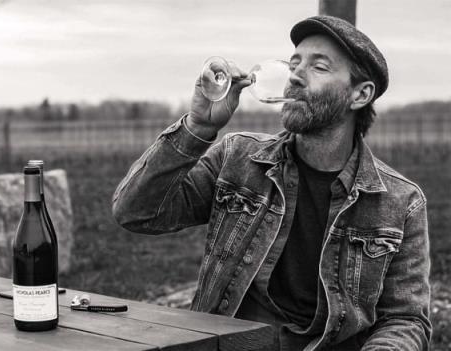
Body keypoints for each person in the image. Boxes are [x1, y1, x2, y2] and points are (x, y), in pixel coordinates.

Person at [112, 15, 431, 350]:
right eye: (294, 64)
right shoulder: (238, 157)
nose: (294, 75)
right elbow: (136, 212)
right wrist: (198, 127)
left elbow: (405, 319)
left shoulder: (400, 202)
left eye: (318, 67)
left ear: (359, 94)